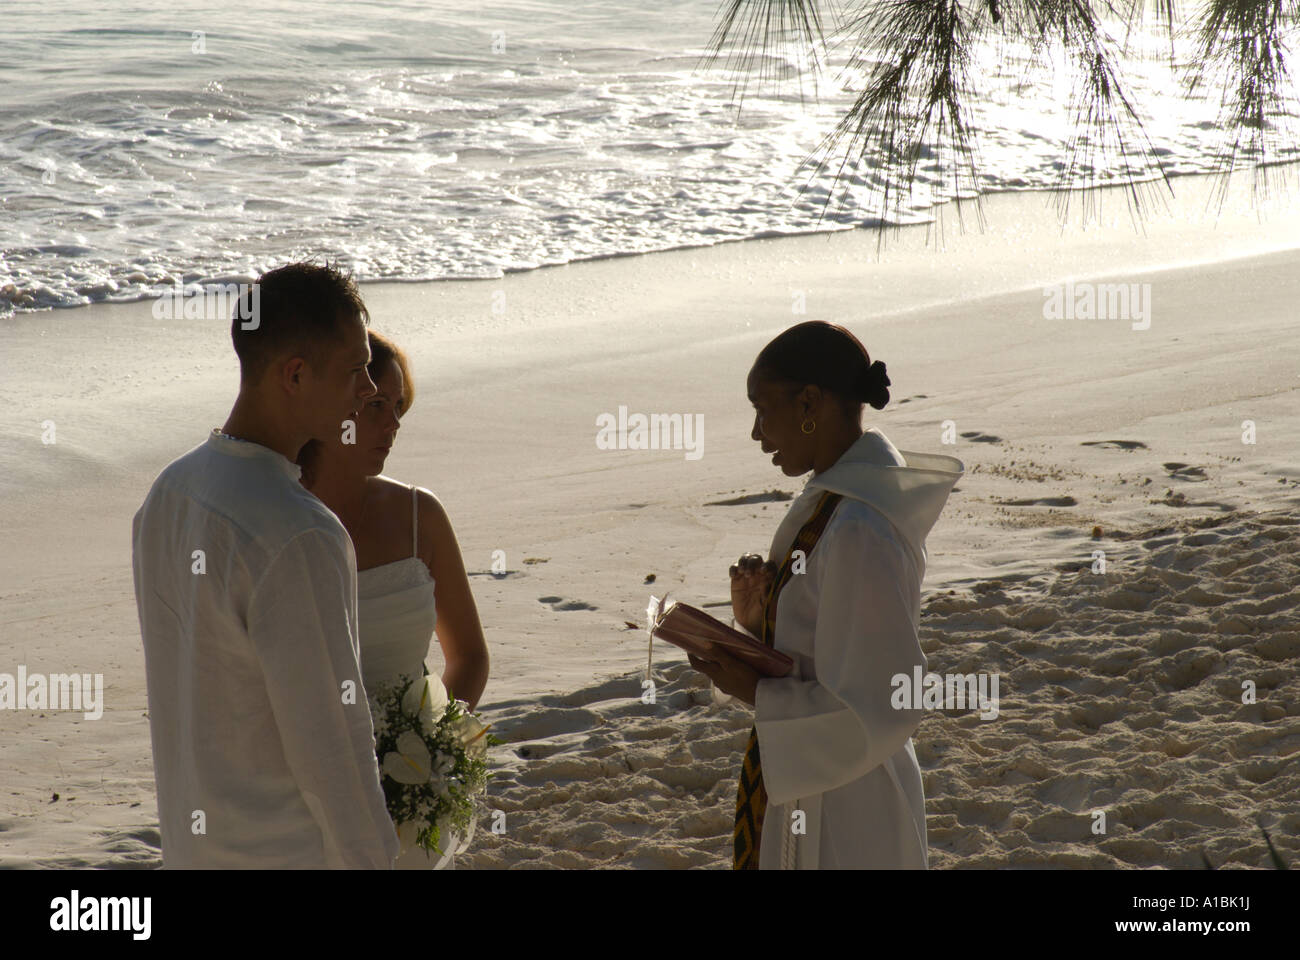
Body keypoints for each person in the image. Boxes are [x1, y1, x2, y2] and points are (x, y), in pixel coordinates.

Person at [131, 261, 399, 868]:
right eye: (356, 368)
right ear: (296, 374)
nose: (369, 388)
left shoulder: (168, 493)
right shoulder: (300, 533)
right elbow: (332, 748)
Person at [687, 320, 963, 869]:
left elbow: (881, 703)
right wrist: (757, 623)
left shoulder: (861, 525)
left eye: (762, 410)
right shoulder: (837, 498)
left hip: (849, 805)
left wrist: (756, 692)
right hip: (812, 776)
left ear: (810, 401)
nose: (756, 433)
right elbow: (824, 645)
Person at [297, 329, 489, 869]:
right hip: (301, 790)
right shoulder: (279, 517)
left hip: (407, 796)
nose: (393, 423)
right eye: (376, 404)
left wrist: (432, 757)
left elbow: (470, 656)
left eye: (398, 405)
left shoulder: (419, 515)